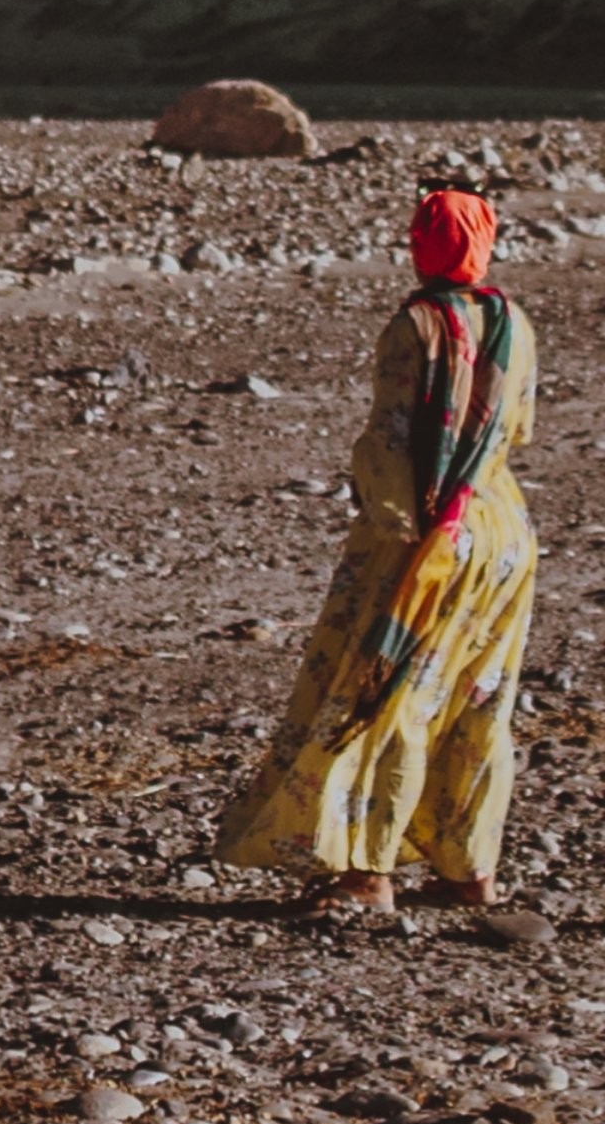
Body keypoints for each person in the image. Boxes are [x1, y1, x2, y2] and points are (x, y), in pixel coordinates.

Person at [220, 174, 539, 915]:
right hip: (500, 530)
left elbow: (394, 435)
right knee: (476, 700)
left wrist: (390, 524)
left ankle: (367, 872)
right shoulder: (513, 323)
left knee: (385, 694)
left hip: (426, 537)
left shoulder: (417, 326)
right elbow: (514, 429)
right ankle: (469, 872)